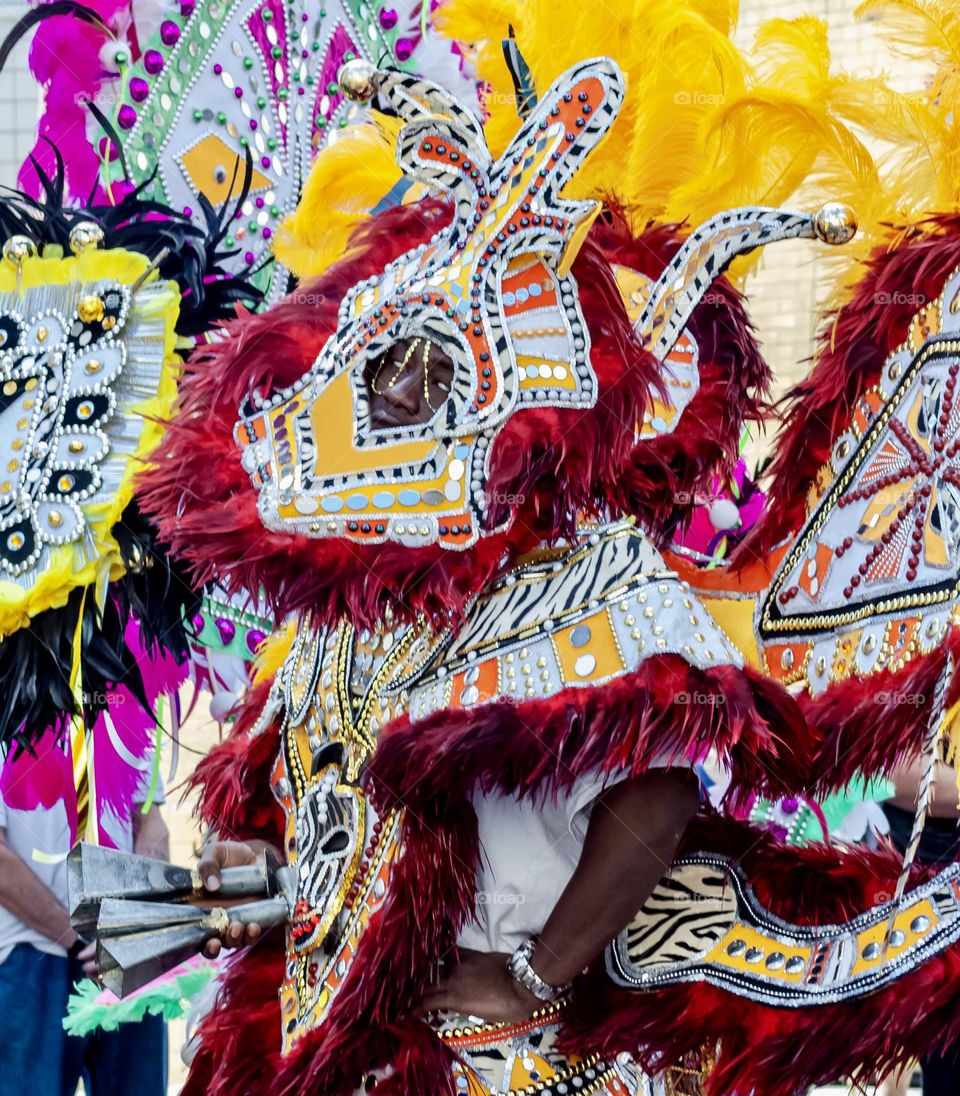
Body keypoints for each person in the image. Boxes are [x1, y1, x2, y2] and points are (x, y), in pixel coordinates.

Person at [0, 735, 170, 1096]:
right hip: (28, 957)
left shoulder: (120, 693)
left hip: (127, 950)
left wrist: (136, 928)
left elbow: (152, 828)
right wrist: (84, 937)